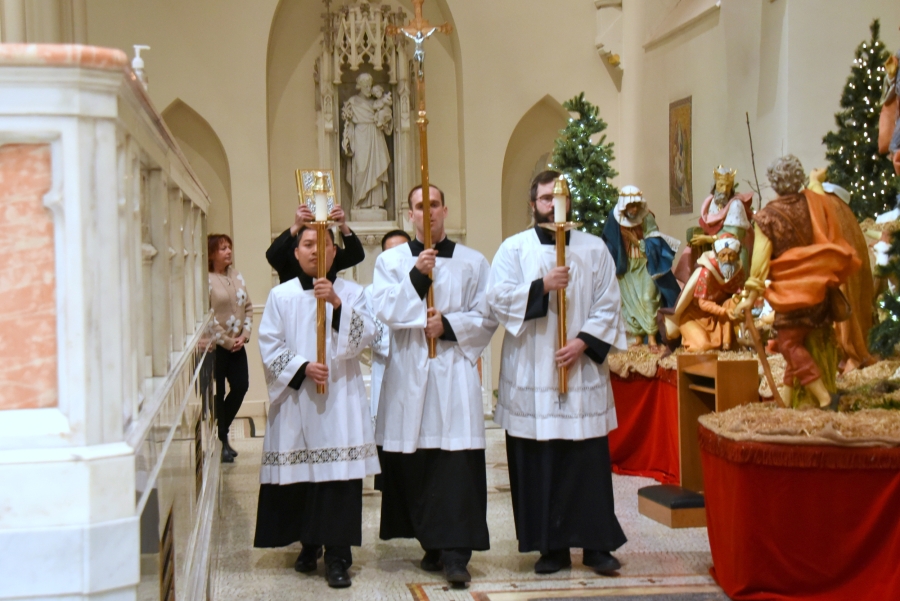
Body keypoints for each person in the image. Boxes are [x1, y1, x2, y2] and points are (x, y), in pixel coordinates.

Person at [487, 170, 628, 576]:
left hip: (580, 373)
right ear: (533, 204)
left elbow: (609, 302)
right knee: (540, 461)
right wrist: (542, 286)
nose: (553, 204)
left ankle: (597, 545)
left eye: (559, 197)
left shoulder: (594, 248)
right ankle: (550, 547)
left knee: (585, 462)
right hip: (534, 373)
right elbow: (497, 299)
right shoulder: (515, 249)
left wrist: (584, 341)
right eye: (546, 198)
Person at [371, 185, 497, 586]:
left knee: (454, 461)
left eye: (435, 204)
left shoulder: (473, 262)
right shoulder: (391, 260)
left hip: (453, 371)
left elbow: (487, 314)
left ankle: (457, 553)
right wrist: (416, 276)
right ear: (409, 215)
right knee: (419, 463)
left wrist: (449, 326)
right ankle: (432, 542)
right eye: (419, 206)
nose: (428, 212)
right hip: (410, 372)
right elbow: (383, 309)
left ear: (445, 210)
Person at [253, 226, 378, 589]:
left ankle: (339, 556)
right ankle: (309, 545)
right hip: (298, 400)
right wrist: (303, 367)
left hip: (339, 400)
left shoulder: (353, 292)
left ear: (334, 251)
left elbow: (369, 335)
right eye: (306, 245)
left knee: (338, 480)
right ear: (295, 253)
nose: (314, 251)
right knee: (303, 477)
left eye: (321, 244)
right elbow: (270, 345)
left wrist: (337, 305)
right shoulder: (282, 295)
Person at [733, 155, 860, 409]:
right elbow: (817, 192)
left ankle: (825, 399)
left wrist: (748, 297)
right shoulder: (812, 201)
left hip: (791, 296)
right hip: (819, 291)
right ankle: (787, 402)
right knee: (791, 344)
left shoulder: (767, 217)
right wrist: (815, 180)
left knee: (789, 344)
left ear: (773, 183)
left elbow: (759, 263)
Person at [601, 185, 680, 351]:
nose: (634, 209)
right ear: (623, 206)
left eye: (636, 205)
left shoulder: (646, 217)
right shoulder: (614, 218)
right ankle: (637, 336)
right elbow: (609, 241)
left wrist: (636, 240)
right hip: (626, 266)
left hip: (646, 264)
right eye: (630, 206)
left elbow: (655, 242)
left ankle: (652, 337)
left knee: (648, 298)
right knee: (629, 302)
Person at [208, 234, 253, 463]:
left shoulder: (236, 275)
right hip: (217, 347)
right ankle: (222, 439)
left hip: (238, 345)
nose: (228, 252)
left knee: (241, 386)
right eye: (222, 248)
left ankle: (221, 433)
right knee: (218, 394)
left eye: (229, 248)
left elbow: (248, 307)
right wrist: (226, 340)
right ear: (211, 254)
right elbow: (207, 316)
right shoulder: (205, 279)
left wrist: (244, 336)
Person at [673, 166, 754, 284]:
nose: (725, 190)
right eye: (721, 185)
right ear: (715, 185)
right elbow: (709, 225)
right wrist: (697, 237)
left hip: (734, 249)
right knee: (692, 252)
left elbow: (735, 234)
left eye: (728, 186)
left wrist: (707, 239)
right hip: (714, 246)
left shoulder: (736, 204)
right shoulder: (711, 202)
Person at [666, 237, 745, 352]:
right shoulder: (707, 272)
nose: (727, 259)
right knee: (703, 346)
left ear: (737, 255)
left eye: (731, 255)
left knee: (735, 302)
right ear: (717, 256)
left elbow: (738, 294)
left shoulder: (737, 271)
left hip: (718, 319)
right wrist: (723, 311)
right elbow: (702, 303)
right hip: (696, 317)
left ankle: (729, 342)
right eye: (723, 255)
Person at [366, 229, 411, 420]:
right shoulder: (371, 292)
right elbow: (373, 336)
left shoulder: (426, 286)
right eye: (391, 253)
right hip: (387, 368)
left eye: (402, 251)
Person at [266, 203, 364, 284]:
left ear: (333, 251)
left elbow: (356, 255)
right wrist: (296, 226)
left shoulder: (329, 253)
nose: (316, 250)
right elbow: (272, 255)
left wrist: (342, 224)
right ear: (297, 251)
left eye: (322, 243)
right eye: (308, 245)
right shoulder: (289, 254)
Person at [342, 72, 392, 211]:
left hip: (375, 135)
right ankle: (358, 201)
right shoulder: (352, 102)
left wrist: (383, 118)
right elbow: (348, 124)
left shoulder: (375, 103)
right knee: (361, 168)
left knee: (377, 167)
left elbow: (386, 119)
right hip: (360, 136)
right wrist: (347, 141)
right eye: (366, 86)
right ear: (360, 86)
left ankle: (376, 203)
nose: (369, 89)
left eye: (370, 85)